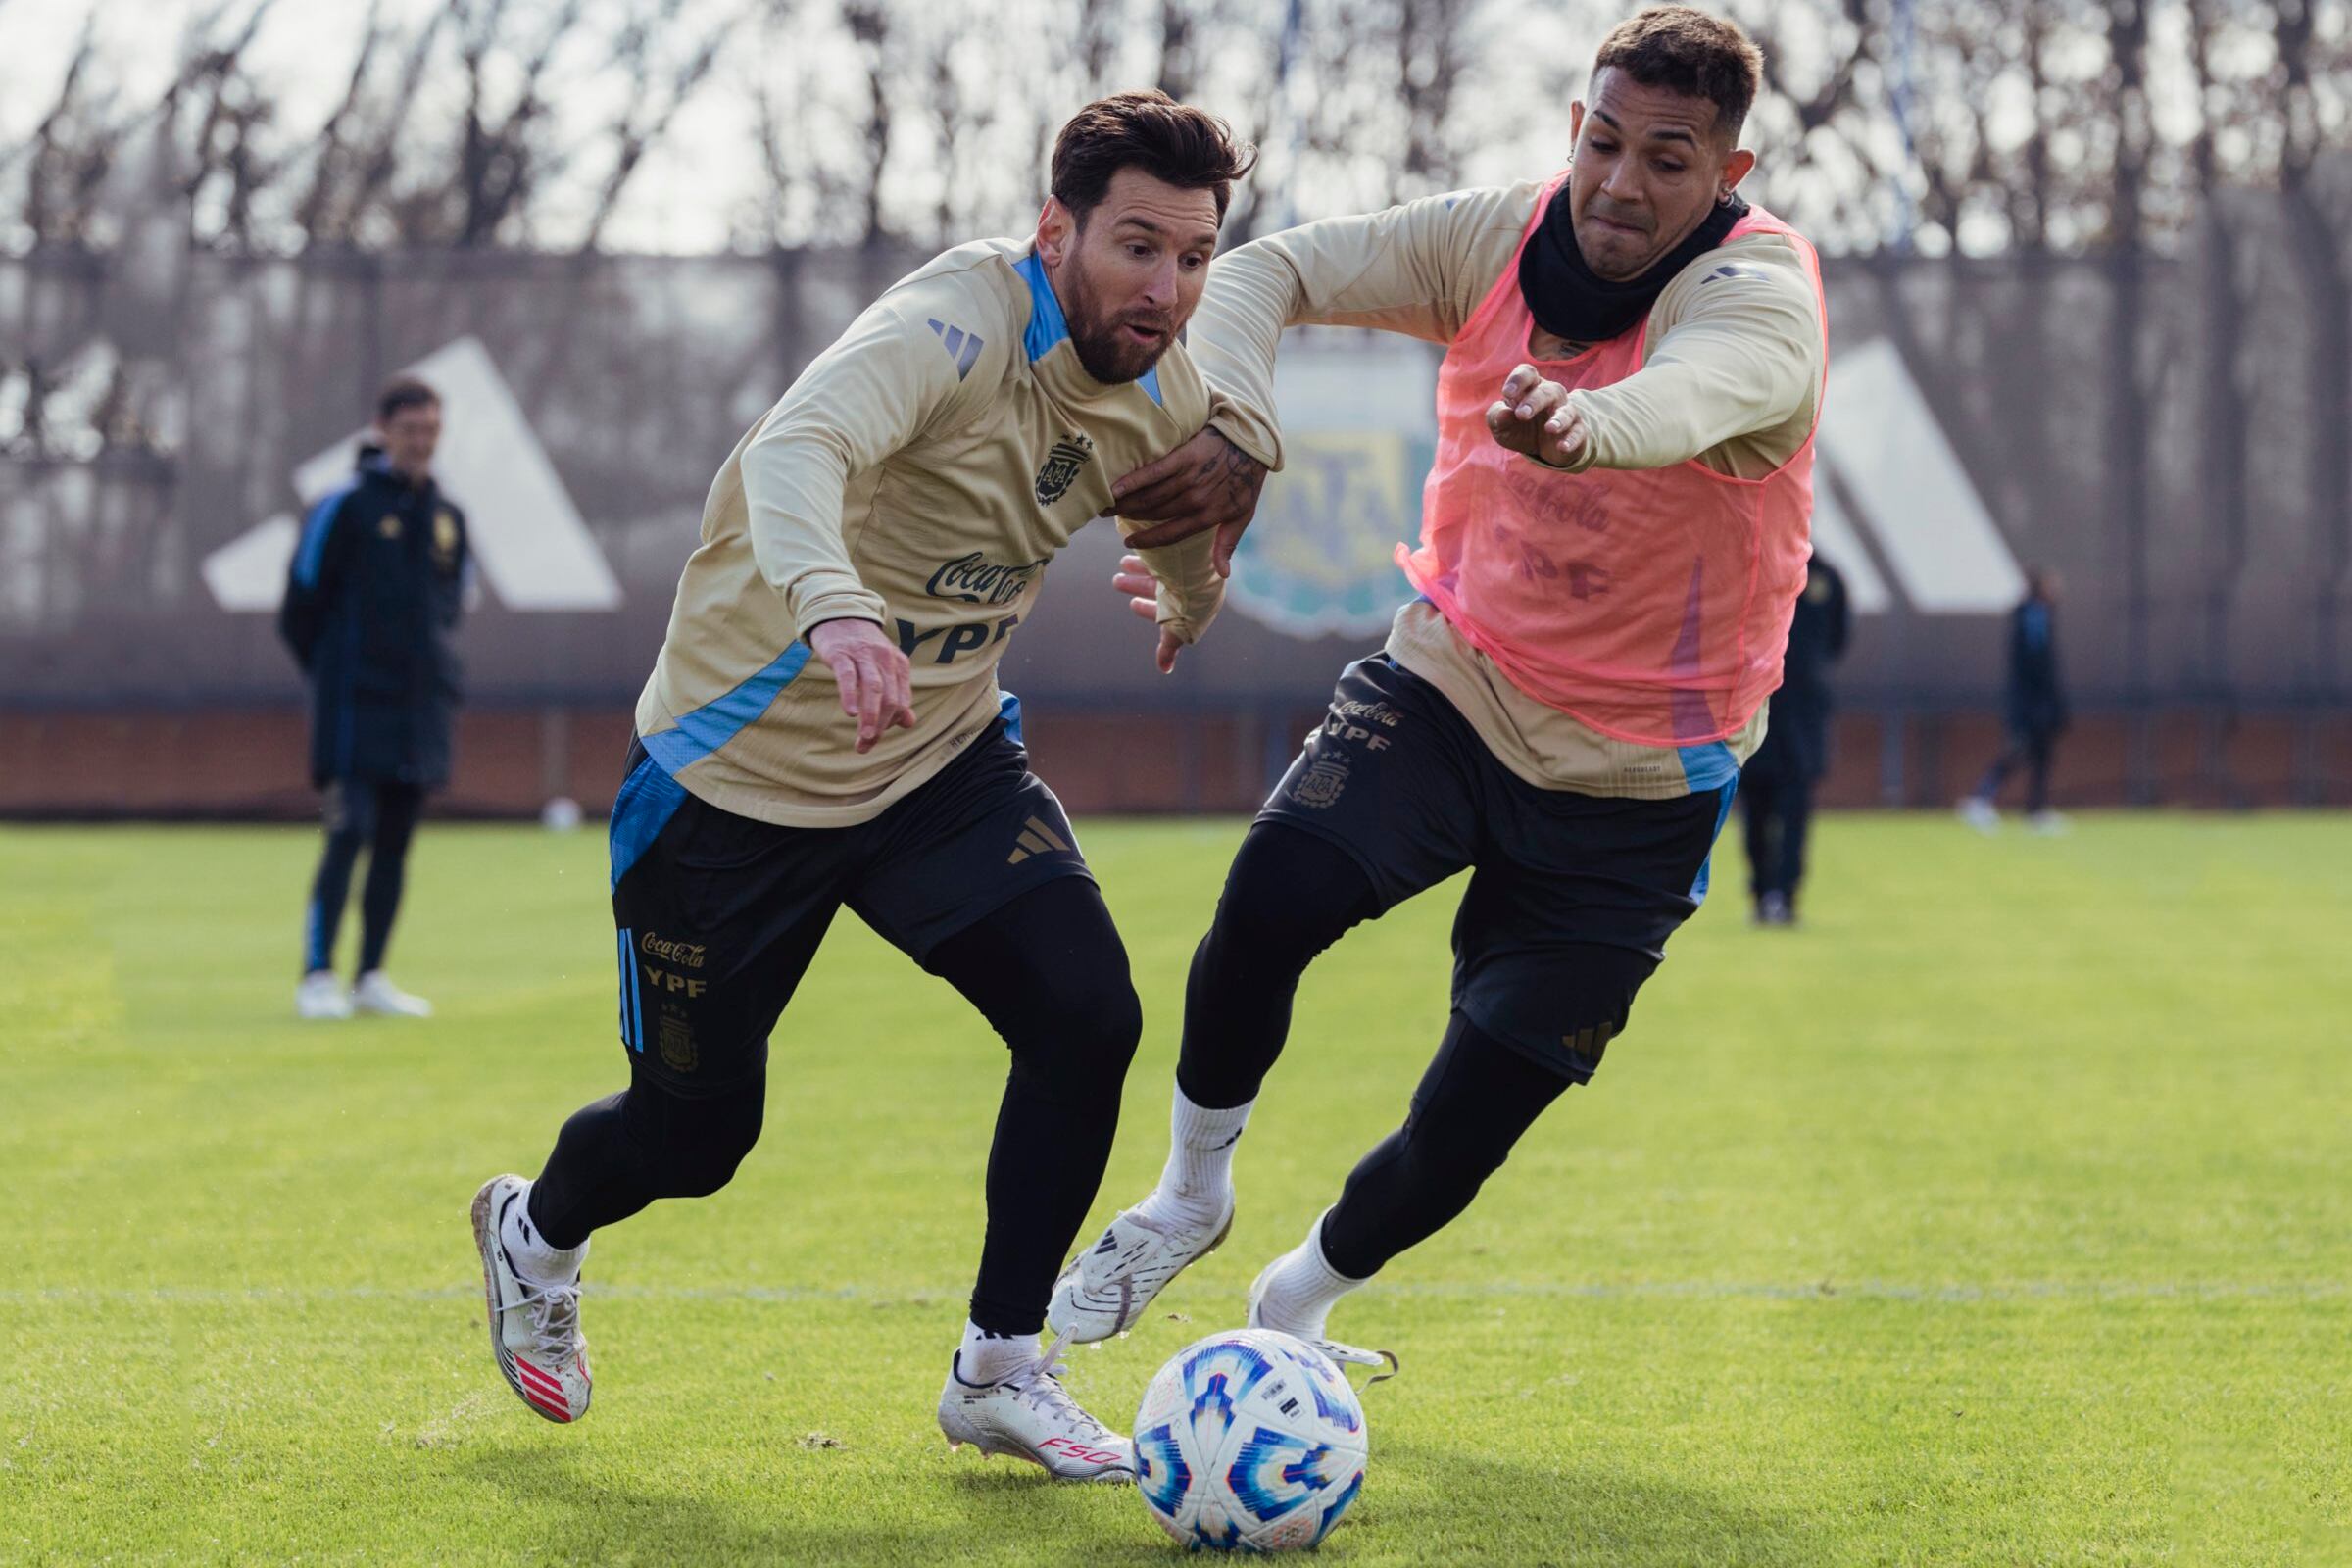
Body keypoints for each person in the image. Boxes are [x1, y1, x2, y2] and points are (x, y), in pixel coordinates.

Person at [466, 92, 1252, 1480]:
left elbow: (1182, 507)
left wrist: (1189, 597)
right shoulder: (951, 327)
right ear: (1054, 231)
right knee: (696, 1138)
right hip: (730, 786)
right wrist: (835, 608)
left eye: (1194, 256)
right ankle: (535, 1232)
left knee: (1086, 1015)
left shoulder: (1163, 388)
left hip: (935, 765)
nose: (1167, 288)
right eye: (1138, 247)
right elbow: (796, 450)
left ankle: (1000, 1367)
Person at [1047, 8, 1824, 1358]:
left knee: (1471, 1119)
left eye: (1668, 158)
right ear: (1574, 129)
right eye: (1603, 142)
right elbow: (1267, 272)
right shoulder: (1490, 239)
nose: (1621, 183)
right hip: (1458, 681)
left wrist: (1587, 422)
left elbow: (1701, 392)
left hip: (1646, 770)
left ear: (1728, 175)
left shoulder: (1761, 294)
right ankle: (1189, 1194)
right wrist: (1241, 427)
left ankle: (1298, 1298)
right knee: (1273, 892)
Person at [278, 376, 468, 1021]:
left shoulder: (447, 517)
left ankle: (370, 977)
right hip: (353, 709)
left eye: (431, 430)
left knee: (395, 841)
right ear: (382, 430)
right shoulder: (345, 507)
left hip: (419, 710)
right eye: (410, 430)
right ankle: (317, 977)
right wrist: (336, 673)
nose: (421, 442)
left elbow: (449, 609)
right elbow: (300, 604)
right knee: (348, 831)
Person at [1740, 553, 1849, 923]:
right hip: (1756, 709)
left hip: (1803, 716)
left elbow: (1836, 641)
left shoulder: (1826, 577)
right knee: (1756, 810)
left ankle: (1786, 896)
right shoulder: (1751, 566)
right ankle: (1760, 892)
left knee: (1796, 811)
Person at [1960, 568, 2068, 833]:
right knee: (2018, 750)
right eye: (2052, 585)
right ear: (2040, 588)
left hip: (2037, 702)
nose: (2057, 590)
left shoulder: (2039, 614)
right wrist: (2043, 702)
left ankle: (2036, 810)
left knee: (2041, 755)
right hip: (2031, 703)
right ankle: (1980, 800)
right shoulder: (2032, 615)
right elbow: (2035, 663)